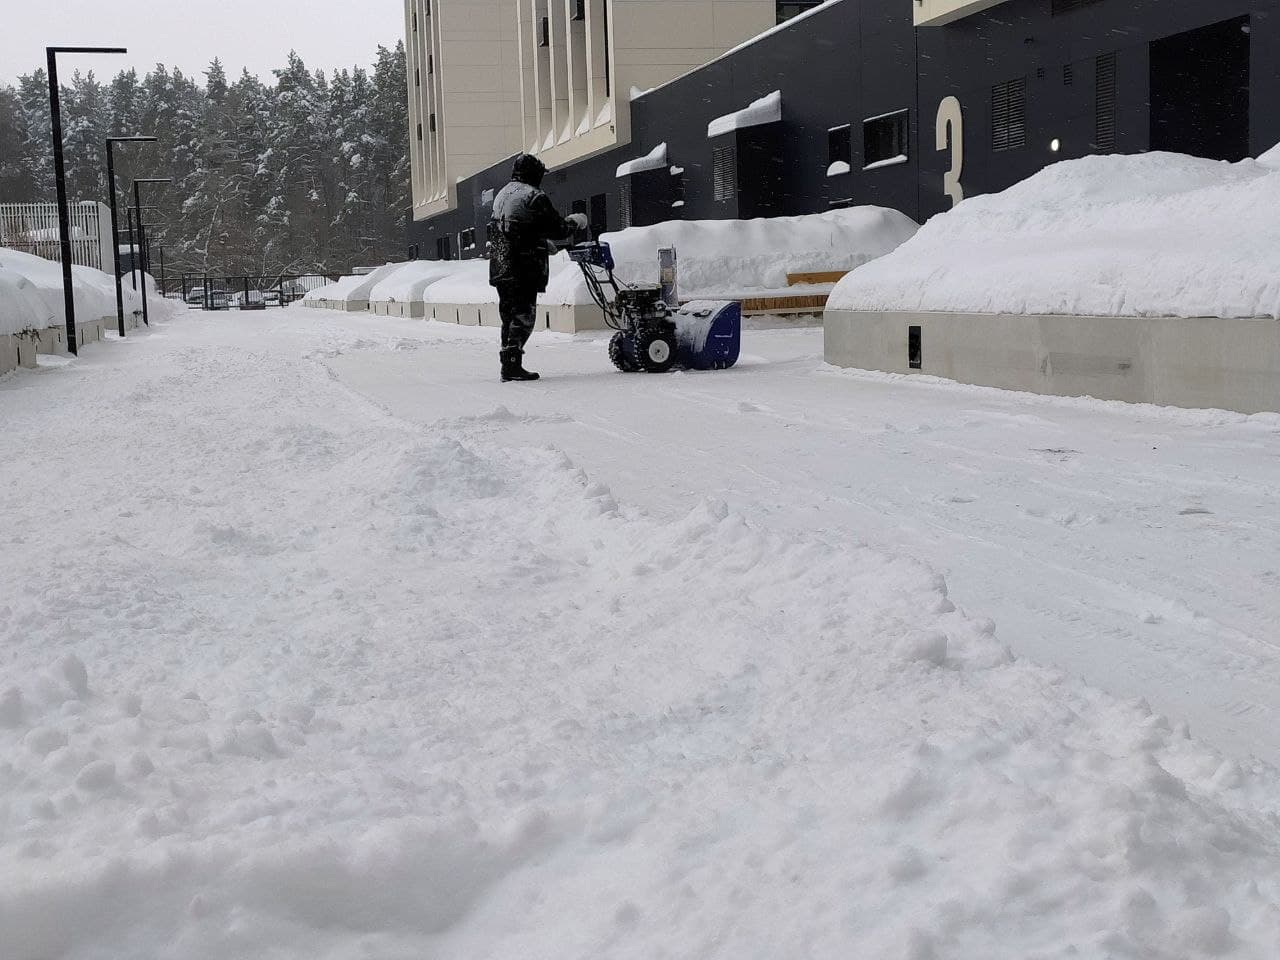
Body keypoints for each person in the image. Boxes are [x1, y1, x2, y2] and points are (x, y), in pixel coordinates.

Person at [488, 153, 587, 381]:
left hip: (501, 266)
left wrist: (540, 242)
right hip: (523, 268)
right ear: (534, 174)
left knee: (509, 315)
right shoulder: (533, 196)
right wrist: (576, 221)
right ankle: (513, 364)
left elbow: (511, 229)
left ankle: (508, 363)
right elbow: (558, 228)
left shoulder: (502, 195)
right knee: (523, 316)